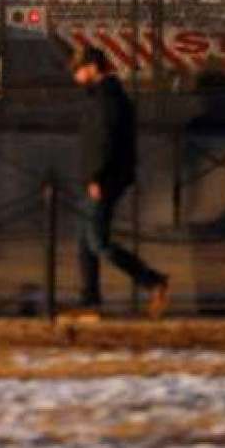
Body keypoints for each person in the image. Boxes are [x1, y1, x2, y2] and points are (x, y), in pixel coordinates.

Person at [68, 47, 169, 321]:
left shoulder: (107, 99)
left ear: (92, 67)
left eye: (78, 70)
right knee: (85, 241)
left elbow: (105, 142)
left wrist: (96, 177)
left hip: (103, 180)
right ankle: (90, 302)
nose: (75, 76)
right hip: (100, 177)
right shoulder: (104, 96)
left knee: (97, 242)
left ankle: (152, 281)